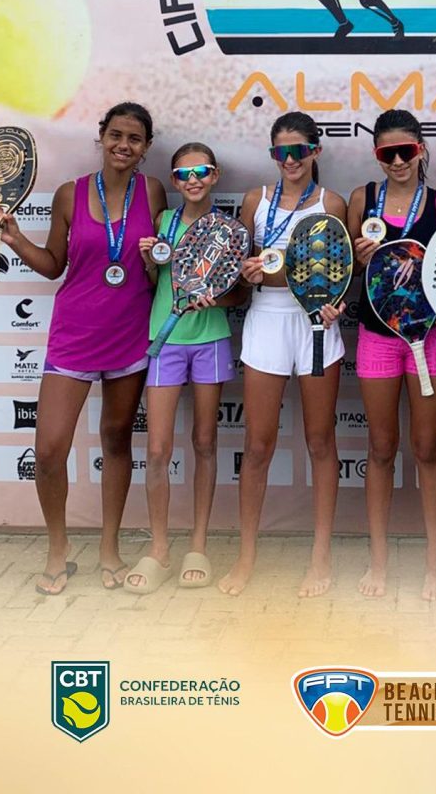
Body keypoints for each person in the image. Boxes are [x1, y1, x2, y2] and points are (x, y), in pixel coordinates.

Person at [0, 102, 166, 594]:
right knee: (47, 450)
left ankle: (109, 548)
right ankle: (58, 549)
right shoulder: (70, 194)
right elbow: (53, 265)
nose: (124, 145)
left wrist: (153, 264)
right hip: (73, 334)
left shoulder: (153, 191)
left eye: (135, 138)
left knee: (117, 440)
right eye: (116, 135)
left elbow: (158, 268)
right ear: (101, 136)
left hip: (130, 333)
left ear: (146, 147)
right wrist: (15, 238)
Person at [217, 112, 347, 598]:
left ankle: (320, 556)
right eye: (281, 152)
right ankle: (246, 556)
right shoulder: (256, 200)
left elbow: (343, 271)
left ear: (315, 151)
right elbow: (236, 264)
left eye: (299, 151)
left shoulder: (332, 202)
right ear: (273, 155)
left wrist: (336, 303)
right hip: (267, 320)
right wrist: (244, 273)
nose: (290, 160)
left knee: (321, 442)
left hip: (315, 323)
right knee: (257, 446)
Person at [124, 143, 244, 593]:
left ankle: (198, 545)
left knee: (206, 443)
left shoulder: (231, 230)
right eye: (183, 174)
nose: (193, 180)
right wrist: (147, 261)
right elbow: (153, 282)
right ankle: (159, 549)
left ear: (215, 175)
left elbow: (240, 295)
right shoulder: (163, 223)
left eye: (202, 171)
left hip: (210, 341)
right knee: (157, 450)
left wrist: (219, 299)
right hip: (164, 341)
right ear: (174, 180)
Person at [348, 109, 436, 600]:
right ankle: (379, 562)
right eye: (386, 153)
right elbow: (348, 272)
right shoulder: (361, 199)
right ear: (376, 155)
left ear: (420, 149)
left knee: (427, 448)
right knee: (381, 449)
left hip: (428, 338)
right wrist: (357, 259)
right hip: (377, 336)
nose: (396, 161)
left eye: (405, 151)